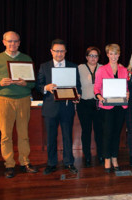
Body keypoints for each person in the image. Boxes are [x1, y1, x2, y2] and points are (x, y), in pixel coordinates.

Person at [0, 31, 38, 178]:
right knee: (6, 135)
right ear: (3, 42)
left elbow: (33, 83)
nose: (12, 44)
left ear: (19, 42)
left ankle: (25, 162)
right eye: (9, 41)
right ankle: (9, 164)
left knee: (23, 134)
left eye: (15, 41)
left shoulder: (26, 58)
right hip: (4, 100)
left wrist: (25, 83)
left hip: (23, 100)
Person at [37, 39, 81, 175]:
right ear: (51, 51)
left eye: (62, 51)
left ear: (65, 52)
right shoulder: (44, 67)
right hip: (50, 109)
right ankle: (51, 163)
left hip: (67, 108)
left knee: (68, 136)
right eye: (56, 51)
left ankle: (69, 162)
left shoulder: (73, 66)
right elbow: (38, 85)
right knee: (51, 137)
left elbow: (78, 85)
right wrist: (46, 87)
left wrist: (77, 95)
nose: (59, 54)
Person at [94, 44, 128, 173]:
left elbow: (125, 88)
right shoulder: (102, 69)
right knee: (107, 133)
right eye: (111, 53)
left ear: (119, 55)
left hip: (120, 106)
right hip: (107, 106)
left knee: (116, 134)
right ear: (107, 54)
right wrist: (100, 96)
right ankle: (107, 158)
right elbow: (96, 88)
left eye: (116, 54)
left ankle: (115, 157)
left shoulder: (124, 69)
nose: (114, 56)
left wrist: (127, 93)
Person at [76, 46, 103, 167]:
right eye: (91, 55)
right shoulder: (80, 68)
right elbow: (75, 84)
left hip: (99, 104)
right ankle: (87, 156)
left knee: (99, 131)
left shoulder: (103, 68)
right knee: (86, 131)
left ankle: (101, 155)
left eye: (95, 56)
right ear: (86, 57)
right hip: (84, 104)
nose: (93, 58)